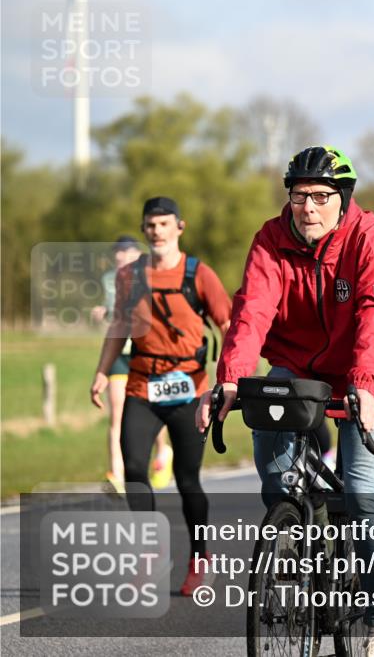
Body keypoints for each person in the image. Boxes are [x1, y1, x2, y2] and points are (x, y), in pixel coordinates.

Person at [196, 146, 374, 657]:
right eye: (298, 197)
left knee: (361, 493)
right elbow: (251, 313)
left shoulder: (368, 238)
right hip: (297, 372)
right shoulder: (271, 240)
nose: (307, 208)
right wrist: (230, 380)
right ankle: (292, 540)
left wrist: (364, 382)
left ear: (343, 198)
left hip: (367, 379)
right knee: (274, 457)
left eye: (319, 197)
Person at [90, 197, 232, 595]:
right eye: (151, 225)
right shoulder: (130, 275)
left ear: (179, 228)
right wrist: (103, 371)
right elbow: (119, 326)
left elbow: (226, 323)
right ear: (144, 229)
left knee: (188, 480)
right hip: (141, 384)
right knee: (134, 469)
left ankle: (200, 558)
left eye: (164, 224)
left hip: (189, 388)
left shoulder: (199, 273)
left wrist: (228, 379)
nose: (157, 231)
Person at [91, 235, 175, 494]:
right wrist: (102, 312)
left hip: (146, 352)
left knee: (152, 409)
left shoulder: (149, 275)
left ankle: (163, 450)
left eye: (126, 252)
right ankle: (116, 475)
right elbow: (114, 309)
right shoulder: (109, 279)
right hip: (120, 352)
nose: (120, 256)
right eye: (117, 252)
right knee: (117, 414)